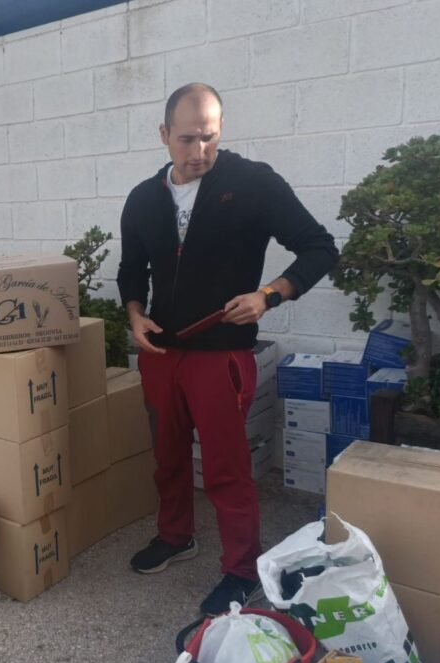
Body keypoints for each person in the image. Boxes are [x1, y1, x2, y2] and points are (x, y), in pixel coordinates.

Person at [116, 83, 338, 617]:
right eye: (187, 139)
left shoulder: (253, 183)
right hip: (162, 354)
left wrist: (269, 295)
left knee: (225, 468)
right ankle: (176, 537)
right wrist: (134, 314)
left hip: (221, 355)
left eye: (209, 137)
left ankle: (242, 570)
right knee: (168, 458)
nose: (199, 152)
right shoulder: (143, 198)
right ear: (164, 134)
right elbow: (131, 268)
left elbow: (320, 247)